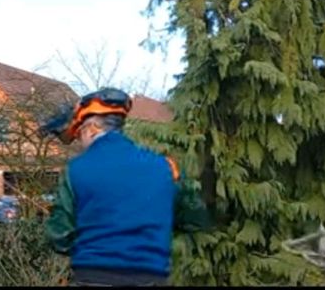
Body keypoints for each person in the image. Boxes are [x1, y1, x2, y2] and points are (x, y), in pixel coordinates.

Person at [40, 88, 209, 286]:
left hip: (92, 277)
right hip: (151, 278)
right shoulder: (166, 168)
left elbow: (59, 236)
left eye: (79, 134)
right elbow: (196, 219)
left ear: (92, 128)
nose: (80, 142)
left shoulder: (76, 170)